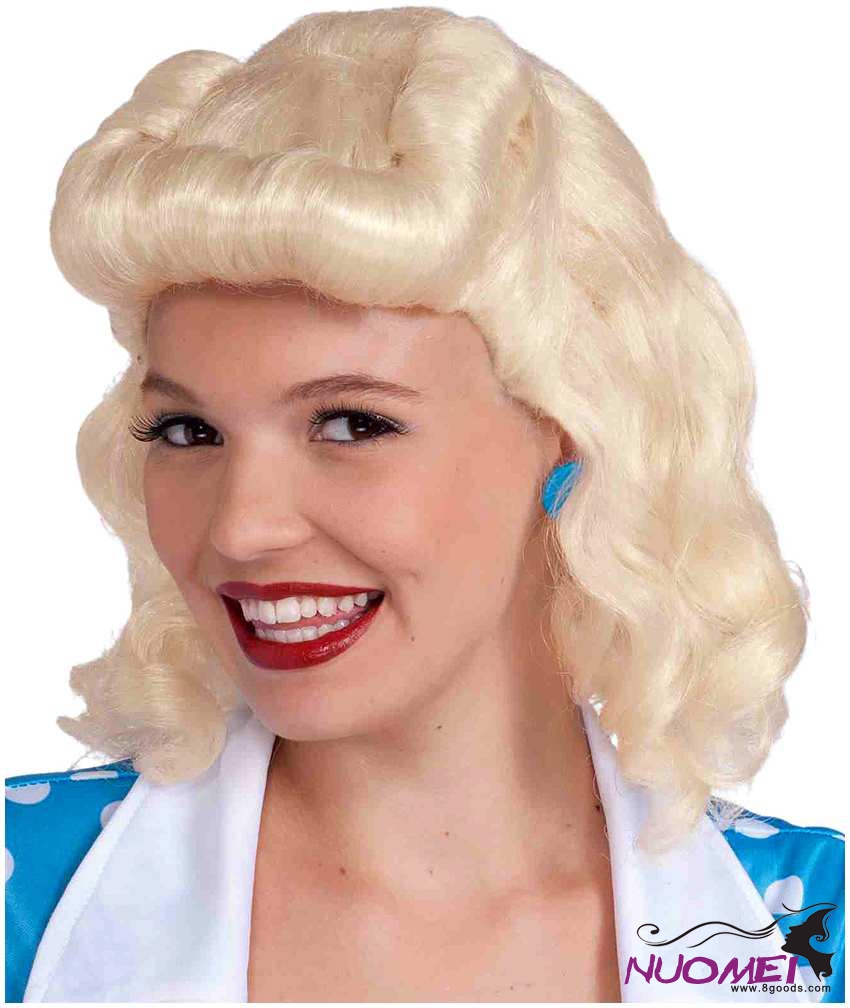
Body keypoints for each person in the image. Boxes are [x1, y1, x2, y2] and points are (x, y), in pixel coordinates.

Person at [5, 7, 844, 1003]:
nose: (240, 528)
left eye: (351, 423)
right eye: (188, 431)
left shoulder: (813, 938)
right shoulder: (24, 891)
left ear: (574, 429)